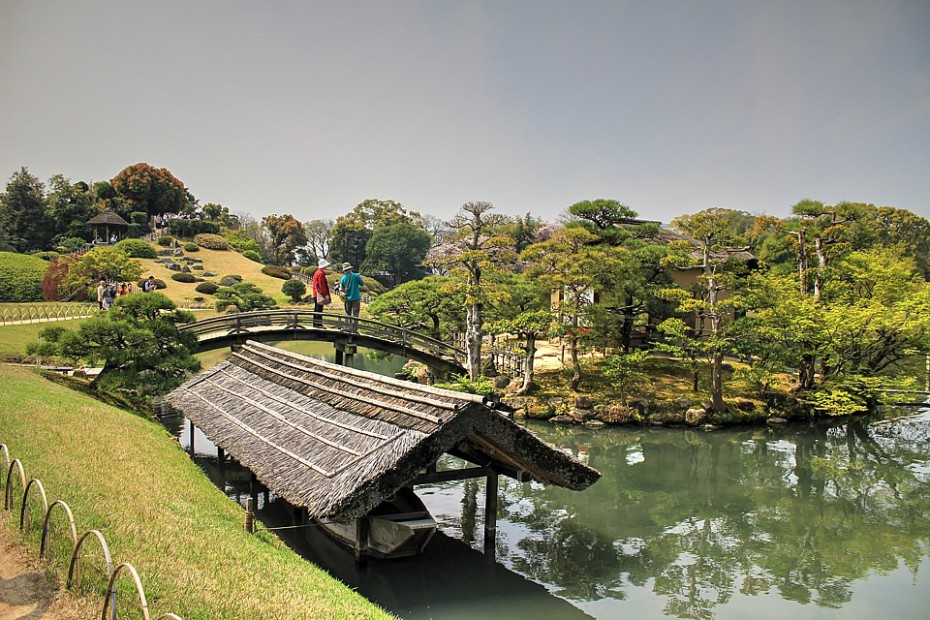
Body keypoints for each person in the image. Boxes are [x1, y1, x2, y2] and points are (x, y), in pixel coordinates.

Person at [339, 262, 364, 333]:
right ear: (350, 268)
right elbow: (362, 283)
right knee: (355, 314)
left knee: (347, 313)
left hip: (347, 298)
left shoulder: (343, 278)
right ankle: (355, 329)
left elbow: (341, 289)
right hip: (356, 297)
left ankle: (348, 327)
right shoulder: (356, 276)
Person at [311, 258, 332, 327]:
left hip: (316, 293)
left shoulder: (317, 272)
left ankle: (315, 324)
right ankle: (318, 324)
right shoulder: (321, 274)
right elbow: (322, 285)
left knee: (316, 309)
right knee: (319, 310)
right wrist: (326, 295)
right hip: (319, 294)